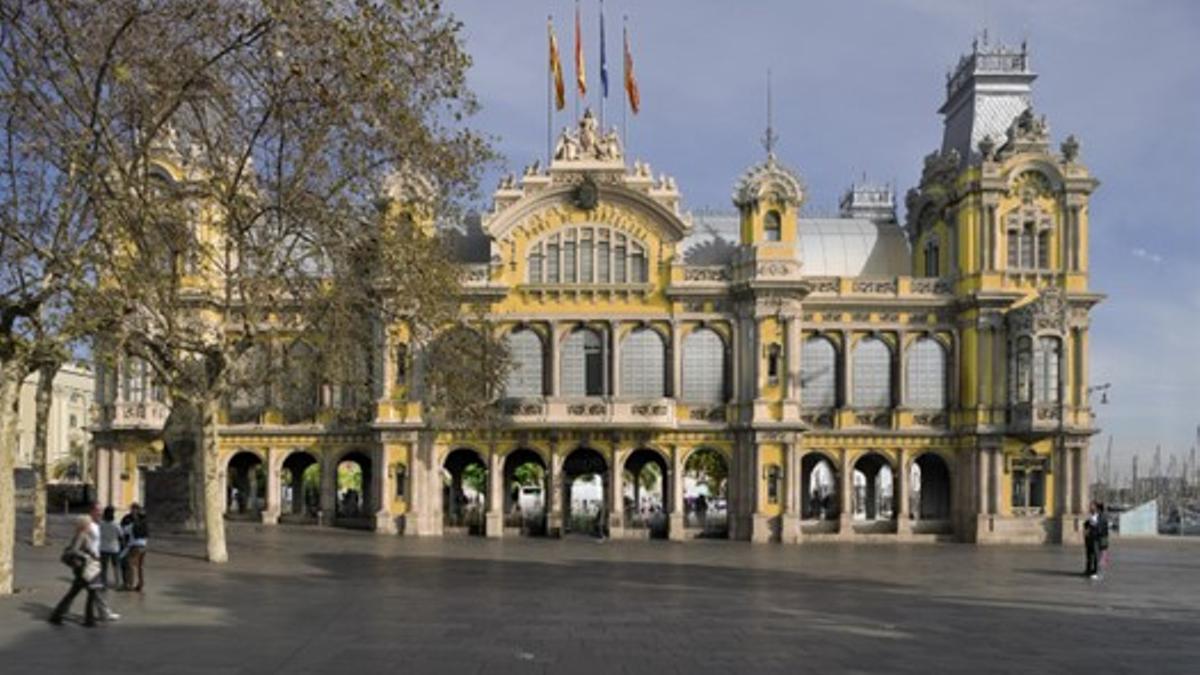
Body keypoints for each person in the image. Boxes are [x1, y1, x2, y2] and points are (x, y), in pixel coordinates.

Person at [50, 513, 118, 627]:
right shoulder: (81, 535)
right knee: (91, 593)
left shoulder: (82, 534)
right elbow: (74, 550)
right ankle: (88, 620)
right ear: (84, 525)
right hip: (84, 568)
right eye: (89, 523)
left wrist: (92, 554)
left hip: (82, 569)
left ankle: (58, 615)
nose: (90, 525)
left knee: (74, 593)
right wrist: (86, 556)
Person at [122, 503, 149, 592]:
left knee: (130, 563)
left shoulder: (132, 524)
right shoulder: (145, 523)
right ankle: (140, 584)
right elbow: (147, 535)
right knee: (140, 566)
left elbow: (123, 531)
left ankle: (130, 584)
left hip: (135, 546)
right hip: (143, 546)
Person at [98, 506, 124, 589]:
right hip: (114, 548)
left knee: (103, 566)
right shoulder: (116, 524)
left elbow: (98, 534)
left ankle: (103, 582)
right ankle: (117, 582)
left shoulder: (101, 523)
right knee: (115, 566)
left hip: (103, 548)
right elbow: (121, 535)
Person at [1083, 501, 1103, 579]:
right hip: (1089, 539)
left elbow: (1101, 527)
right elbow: (1086, 525)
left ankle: (1096, 572)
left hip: (1096, 539)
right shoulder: (1091, 516)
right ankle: (1088, 570)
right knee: (1089, 555)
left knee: (1095, 556)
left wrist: (1094, 525)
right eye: (1090, 506)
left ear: (1096, 507)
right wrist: (1086, 528)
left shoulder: (1100, 516)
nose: (1090, 508)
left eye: (1092, 506)